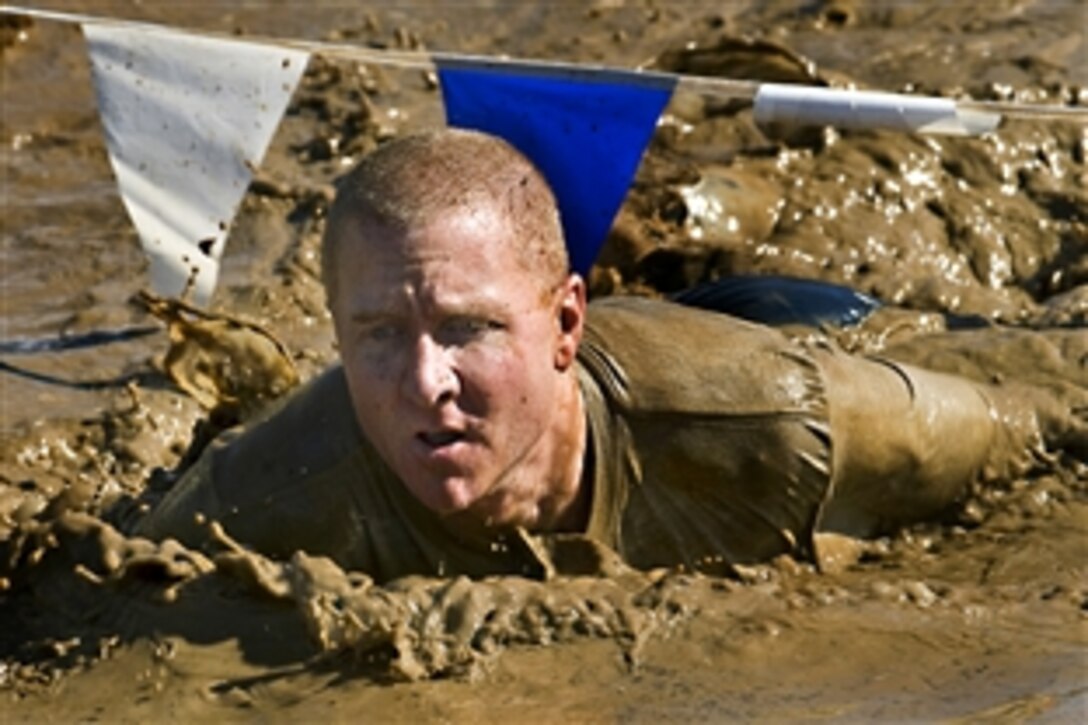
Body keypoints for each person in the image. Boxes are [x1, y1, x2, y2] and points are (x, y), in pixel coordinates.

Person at [135, 129, 1085, 581]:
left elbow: (1045, 428)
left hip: (777, 327)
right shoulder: (252, 508)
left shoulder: (783, 420)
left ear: (563, 323)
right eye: (377, 337)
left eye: (468, 327)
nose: (426, 383)